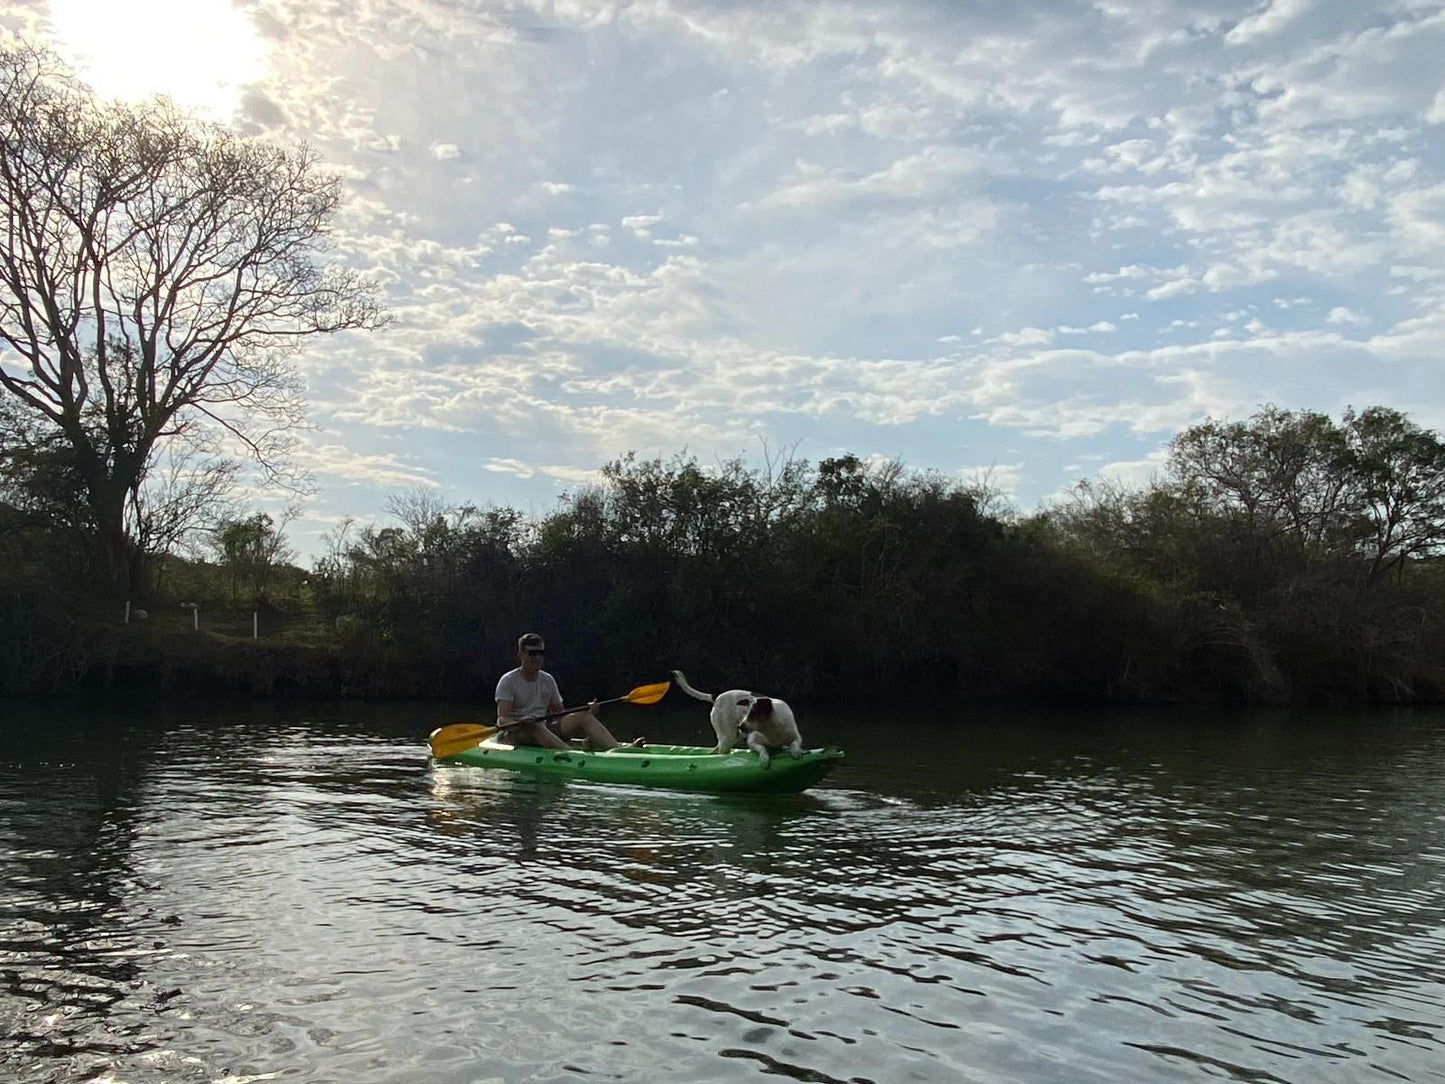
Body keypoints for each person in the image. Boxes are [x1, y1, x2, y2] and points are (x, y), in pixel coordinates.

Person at [495, 633, 641, 750]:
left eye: (541, 653)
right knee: (535, 726)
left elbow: (560, 715)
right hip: (516, 733)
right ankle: (571, 754)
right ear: (521, 655)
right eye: (532, 653)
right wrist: (521, 721)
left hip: (543, 729)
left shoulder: (548, 680)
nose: (538, 657)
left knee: (583, 716)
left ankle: (618, 750)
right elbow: (502, 720)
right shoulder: (508, 681)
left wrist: (589, 711)